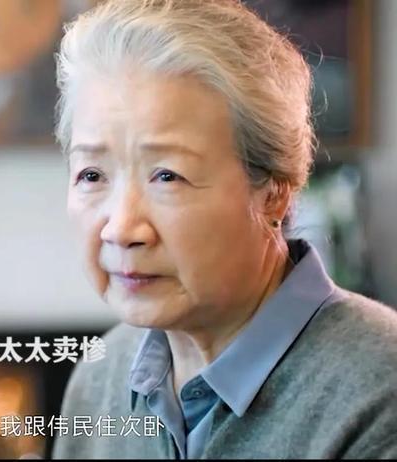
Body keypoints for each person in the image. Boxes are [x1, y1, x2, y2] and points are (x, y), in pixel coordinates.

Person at [51, 0, 397, 458]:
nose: (122, 229)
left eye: (167, 176)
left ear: (274, 192)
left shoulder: (379, 390)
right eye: (92, 175)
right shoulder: (101, 376)